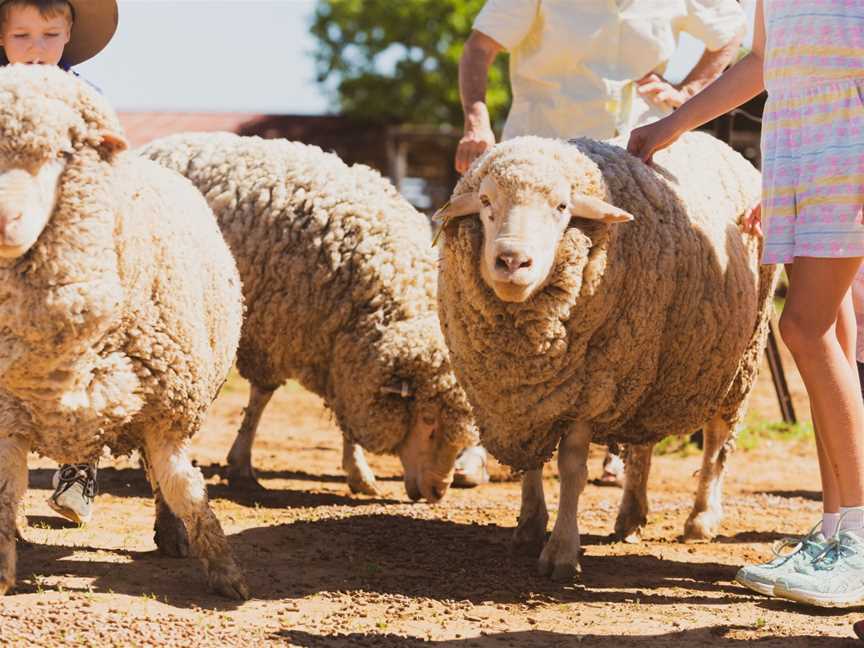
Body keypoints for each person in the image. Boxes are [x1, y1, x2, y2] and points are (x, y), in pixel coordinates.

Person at [452, 0, 746, 488]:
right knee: (493, 315)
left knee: (625, 312)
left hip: (628, 164)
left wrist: (689, 91)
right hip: (538, 169)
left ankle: (615, 445)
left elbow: (731, 34)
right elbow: (480, 47)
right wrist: (476, 122)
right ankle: (482, 441)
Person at [629, 0, 864, 608]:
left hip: (849, 151)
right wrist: (672, 125)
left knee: (804, 329)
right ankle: (837, 531)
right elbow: (761, 61)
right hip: (799, 152)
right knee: (830, 334)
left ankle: (860, 543)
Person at [0, 0, 118, 525]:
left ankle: (78, 470)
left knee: (80, 353)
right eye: (22, 34)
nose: (35, 49)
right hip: (5, 235)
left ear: (69, 34)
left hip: (64, 250)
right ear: (2, 37)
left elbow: (107, 165)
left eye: (49, 35)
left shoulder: (85, 97)